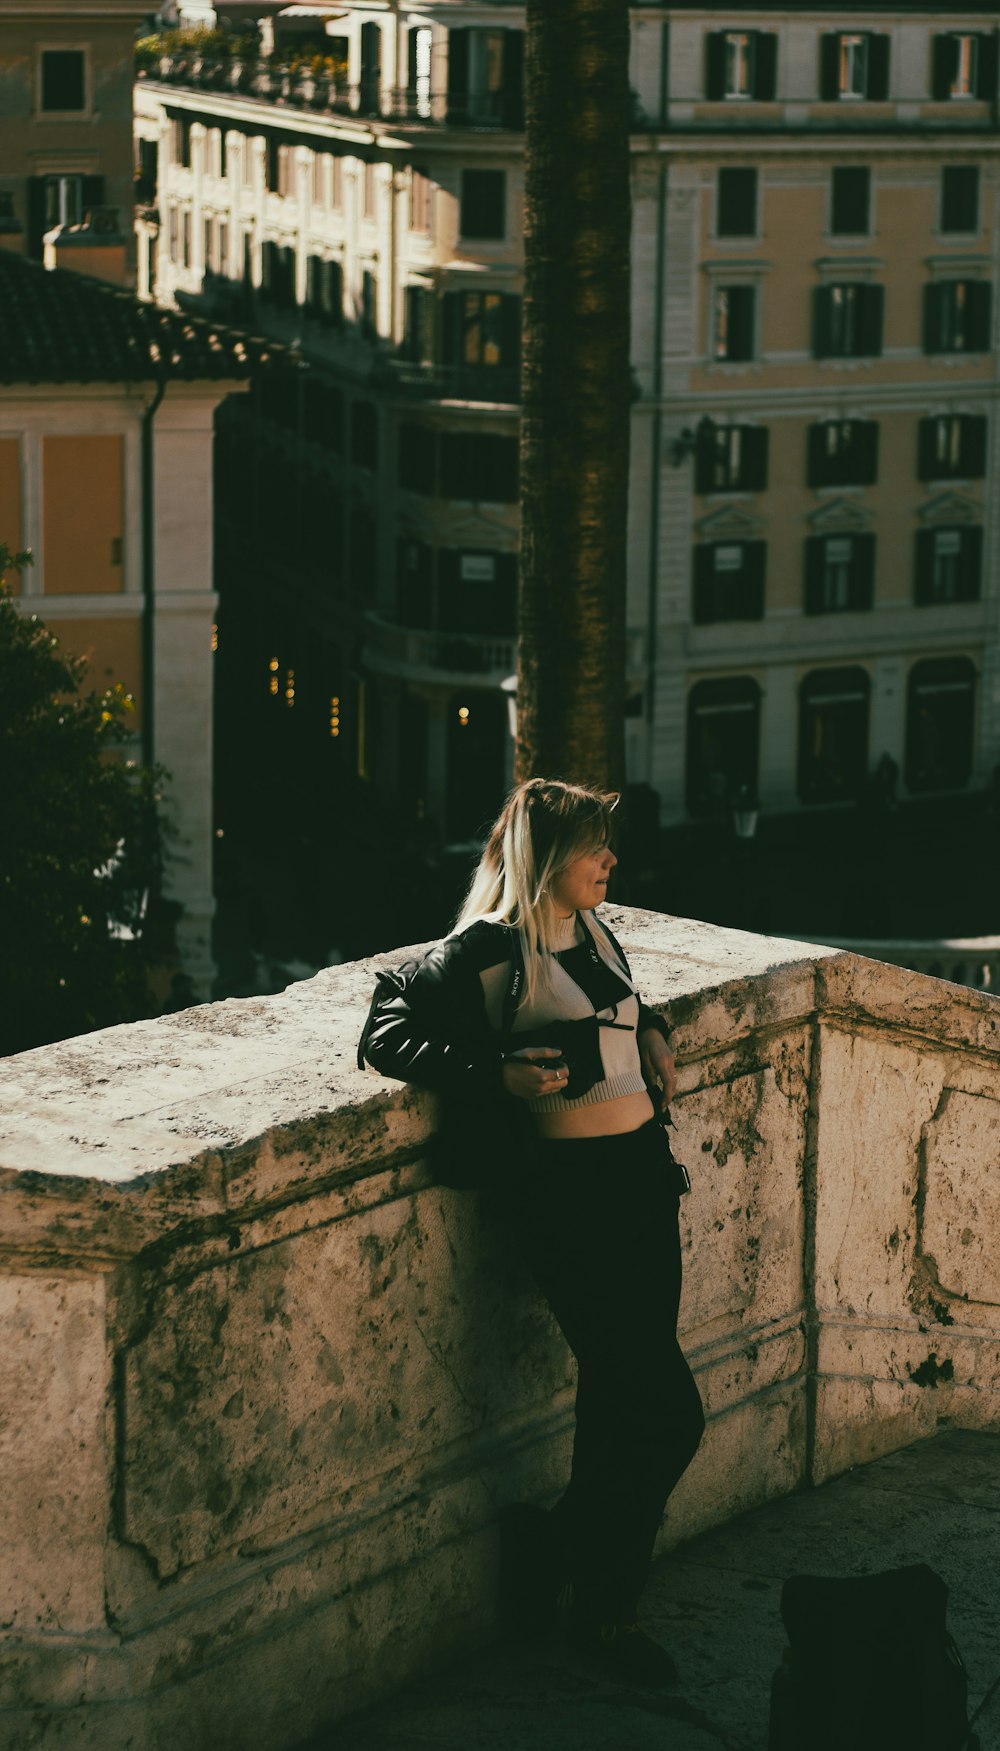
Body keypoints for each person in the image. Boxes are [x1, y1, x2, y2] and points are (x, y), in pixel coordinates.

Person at [361, 777, 704, 1686]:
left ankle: (603, 1614)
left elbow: (617, 1011)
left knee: (618, 1404)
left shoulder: (594, 928)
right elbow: (385, 1024)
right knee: (670, 1414)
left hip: (641, 1184)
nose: (611, 861)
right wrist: (494, 1072)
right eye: (596, 847)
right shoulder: (487, 948)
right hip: (573, 1201)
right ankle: (552, 1553)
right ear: (548, 859)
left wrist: (657, 1033)